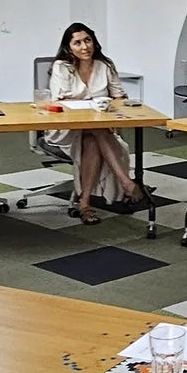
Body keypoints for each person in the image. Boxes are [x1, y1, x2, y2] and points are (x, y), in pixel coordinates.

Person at [44, 22, 150, 225]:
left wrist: (115, 104)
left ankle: (84, 204)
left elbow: (119, 96)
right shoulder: (62, 67)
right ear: (69, 47)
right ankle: (126, 182)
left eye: (87, 40)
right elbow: (60, 101)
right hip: (66, 128)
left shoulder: (105, 65)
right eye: (77, 43)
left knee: (93, 139)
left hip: (96, 128)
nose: (84, 47)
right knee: (97, 130)